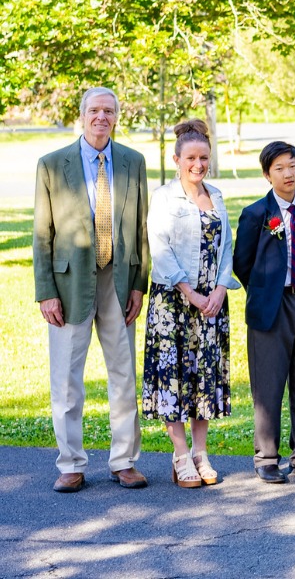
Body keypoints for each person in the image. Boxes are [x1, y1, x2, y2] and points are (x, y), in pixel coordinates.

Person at [34, 87, 150, 493]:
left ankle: (124, 461)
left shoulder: (134, 162)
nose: (102, 117)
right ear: (82, 116)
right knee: (67, 378)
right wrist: (46, 291)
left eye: (109, 111)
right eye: (94, 110)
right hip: (68, 285)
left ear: (117, 117)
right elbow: (41, 236)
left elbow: (140, 230)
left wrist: (139, 284)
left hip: (119, 282)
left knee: (123, 374)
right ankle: (70, 463)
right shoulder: (51, 165)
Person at [142, 119, 240, 488]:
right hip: (174, 304)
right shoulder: (164, 197)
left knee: (204, 377)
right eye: (191, 158)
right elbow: (161, 248)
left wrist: (219, 289)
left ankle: (201, 452)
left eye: (204, 158)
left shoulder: (216, 195)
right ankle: (180, 454)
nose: (198, 165)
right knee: (174, 377)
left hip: (211, 305)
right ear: (177, 158)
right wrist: (191, 292)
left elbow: (226, 246)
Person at [232, 142, 295, 484]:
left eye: (293, 166)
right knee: (269, 385)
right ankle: (267, 458)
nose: (288, 174)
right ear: (266, 174)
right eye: (279, 168)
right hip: (271, 308)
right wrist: (266, 289)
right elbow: (242, 263)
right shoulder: (256, 214)